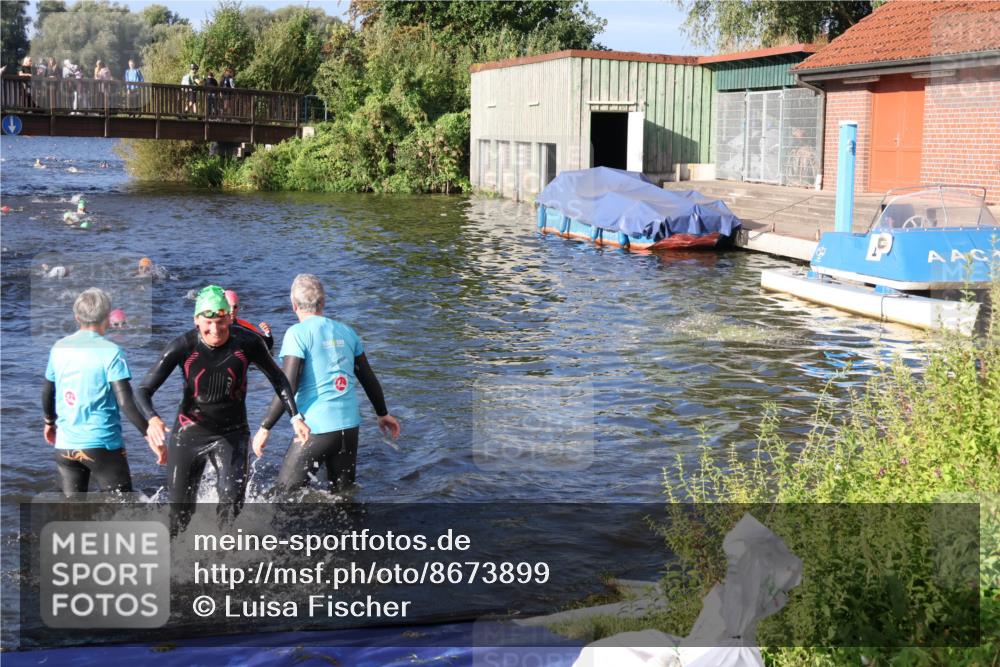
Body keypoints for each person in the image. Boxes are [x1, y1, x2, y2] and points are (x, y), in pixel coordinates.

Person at [135, 285, 309, 535]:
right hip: (188, 434)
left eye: (221, 322)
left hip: (232, 433)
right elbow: (143, 390)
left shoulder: (248, 342)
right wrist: (152, 419)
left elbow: (279, 379)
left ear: (229, 317)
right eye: (208, 324)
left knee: (231, 500)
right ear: (196, 320)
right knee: (179, 515)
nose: (215, 330)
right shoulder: (182, 346)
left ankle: (222, 557)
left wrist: (296, 417)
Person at [253, 274, 400, 496]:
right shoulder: (347, 331)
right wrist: (382, 413)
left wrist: (265, 427)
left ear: (294, 305)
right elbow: (368, 377)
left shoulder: (296, 334)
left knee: (283, 496)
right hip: (349, 428)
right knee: (343, 497)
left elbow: (288, 384)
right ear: (323, 302)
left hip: (315, 429)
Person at [42, 288, 162, 496]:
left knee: (72, 516)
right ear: (107, 317)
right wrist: (147, 433)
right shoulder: (111, 352)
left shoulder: (58, 347)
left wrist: (49, 422)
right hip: (102, 446)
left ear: (76, 317)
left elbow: (48, 391)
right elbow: (125, 401)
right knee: (122, 513)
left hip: (66, 446)